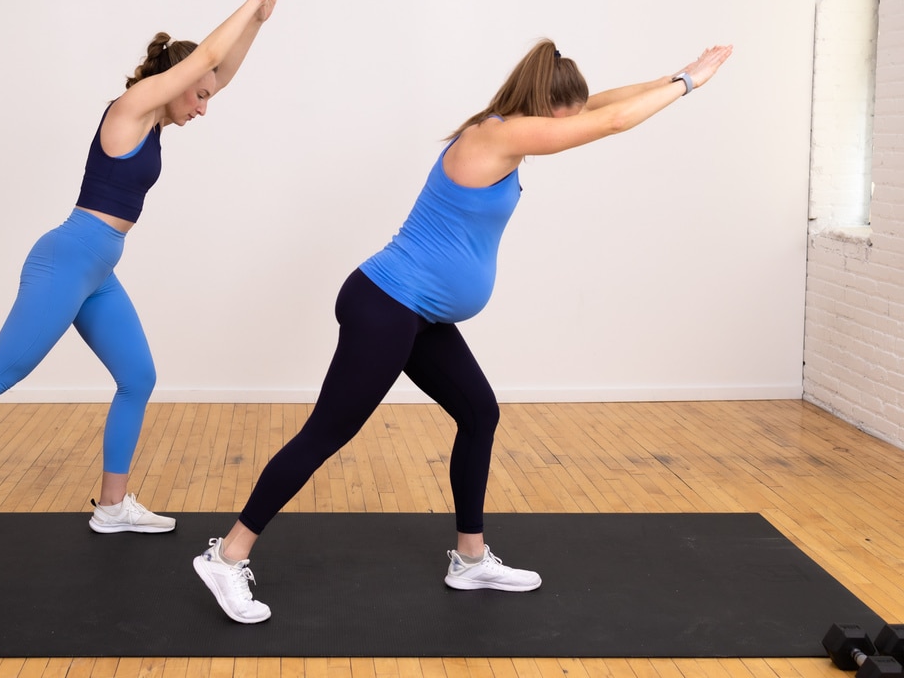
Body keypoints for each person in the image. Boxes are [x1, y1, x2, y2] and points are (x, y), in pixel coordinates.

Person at [192, 39, 734, 622]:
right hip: (385, 304)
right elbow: (612, 121)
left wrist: (675, 73)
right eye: (566, 116)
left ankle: (470, 559)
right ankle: (227, 555)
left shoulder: (509, 125)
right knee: (328, 432)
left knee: (479, 412)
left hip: (419, 313)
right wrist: (690, 86)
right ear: (544, 107)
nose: (573, 125)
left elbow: (603, 104)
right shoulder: (496, 136)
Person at [0, 0, 286, 554]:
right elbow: (205, 60)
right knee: (1, 372)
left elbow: (217, 70)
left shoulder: (158, 123)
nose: (204, 106)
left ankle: (113, 505)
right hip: (66, 260)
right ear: (172, 85)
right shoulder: (128, 112)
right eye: (198, 96)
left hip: (98, 270)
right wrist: (248, 4)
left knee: (138, 376)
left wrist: (259, 23)